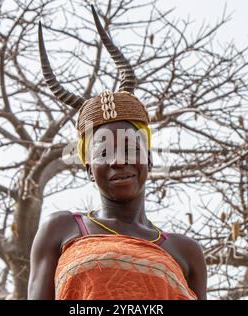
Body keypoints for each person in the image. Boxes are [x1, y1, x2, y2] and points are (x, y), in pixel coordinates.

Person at [28, 5, 207, 300]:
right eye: (102, 153)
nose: (117, 160)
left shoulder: (185, 251)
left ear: (148, 158)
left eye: (129, 147)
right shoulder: (61, 230)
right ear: (88, 168)